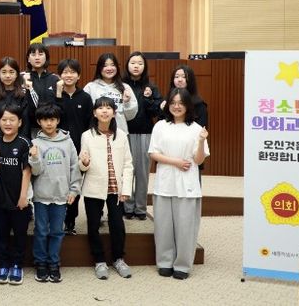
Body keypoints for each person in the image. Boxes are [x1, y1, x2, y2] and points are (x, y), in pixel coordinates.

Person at [149, 87, 209, 280]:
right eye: (173, 103)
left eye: (181, 103)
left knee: (186, 227)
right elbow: (153, 153)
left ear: (188, 106)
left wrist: (201, 142)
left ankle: (183, 265)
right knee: (163, 226)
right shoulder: (160, 126)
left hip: (187, 183)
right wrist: (175, 162)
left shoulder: (196, 129)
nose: (176, 107)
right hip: (165, 181)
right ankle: (164, 262)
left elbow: (198, 160)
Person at [79, 96, 134, 280]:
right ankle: (99, 261)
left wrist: (126, 189)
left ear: (114, 113)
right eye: (100, 108)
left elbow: (128, 164)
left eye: (108, 108)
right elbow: (82, 166)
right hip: (94, 187)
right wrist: (84, 162)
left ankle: (119, 259)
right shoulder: (87, 135)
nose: (104, 111)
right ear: (94, 113)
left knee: (117, 225)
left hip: (116, 189)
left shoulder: (122, 136)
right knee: (94, 225)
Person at [29, 103, 80, 284]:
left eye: (52, 119)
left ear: (58, 120)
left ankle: (54, 263)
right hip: (41, 196)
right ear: (39, 122)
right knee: (41, 231)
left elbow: (74, 167)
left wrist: (74, 189)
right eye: (44, 120)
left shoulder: (68, 141)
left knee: (57, 231)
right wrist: (35, 158)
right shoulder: (35, 143)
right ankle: (40, 263)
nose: (49, 123)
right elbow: (35, 172)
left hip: (61, 195)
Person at [0, 104, 31, 286]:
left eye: (12, 120)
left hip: (19, 198)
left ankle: (16, 265)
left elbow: (27, 171)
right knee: (1, 234)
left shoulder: (24, 143)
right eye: (4, 119)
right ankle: (3, 265)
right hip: (0, 197)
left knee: (20, 234)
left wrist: (23, 196)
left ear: (19, 122)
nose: (8, 123)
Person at [122, 51, 163, 220]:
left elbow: (156, 112)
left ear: (144, 66)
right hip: (124, 133)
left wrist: (148, 98)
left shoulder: (151, 87)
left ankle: (140, 208)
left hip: (145, 133)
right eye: (133, 63)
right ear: (127, 65)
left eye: (140, 63)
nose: (136, 66)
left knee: (142, 173)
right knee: (126, 171)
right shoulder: (121, 85)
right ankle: (127, 207)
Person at [54, 58, 93, 235]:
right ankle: (57, 219)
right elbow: (54, 116)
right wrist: (58, 94)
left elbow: (90, 124)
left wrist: (86, 147)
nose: (68, 75)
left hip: (78, 147)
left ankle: (70, 221)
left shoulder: (85, 97)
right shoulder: (56, 96)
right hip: (57, 147)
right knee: (58, 183)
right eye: (65, 72)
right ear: (59, 75)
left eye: (72, 72)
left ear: (79, 76)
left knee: (74, 185)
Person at [84, 53, 138, 133]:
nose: (109, 68)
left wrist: (126, 102)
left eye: (112, 65)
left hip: (120, 133)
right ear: (99, 68)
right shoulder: (90, 87)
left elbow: (130, 116)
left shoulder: (125, 88)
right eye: (105, 65)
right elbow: (85, 114)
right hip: (97, 133)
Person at [0, 57, 32, 140]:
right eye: (4, 72)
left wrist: (24, 143)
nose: (7, 76)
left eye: (11, 72)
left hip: (20, 143)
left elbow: (26, 124)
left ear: (17, 74)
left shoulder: (24, 95)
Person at [24, 43, 60, 133]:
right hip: (27, 128)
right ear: (28, 58)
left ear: (46, 57)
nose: (37, 58)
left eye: (40, 54)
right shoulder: (22, 78)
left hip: (50, 127)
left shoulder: (55, 79)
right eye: (33, 54)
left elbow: (59, 105)